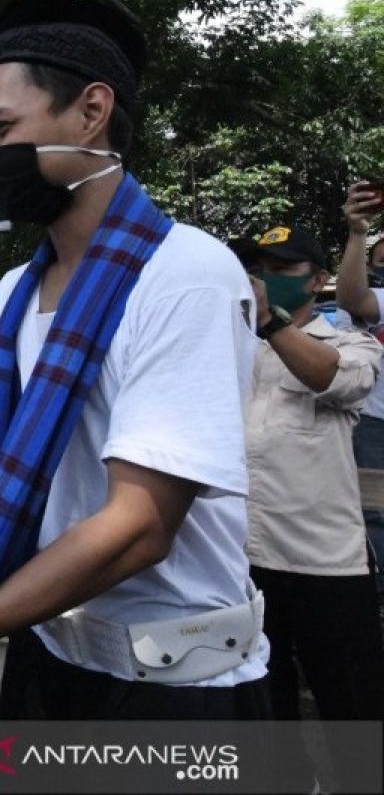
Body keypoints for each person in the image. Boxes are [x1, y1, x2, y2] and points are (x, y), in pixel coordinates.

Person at [0, 0, 270, 722]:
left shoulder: (184, 276)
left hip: (170, 684)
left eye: (3, 128)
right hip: (50, 651)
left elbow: (138, 525)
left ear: (91, 112)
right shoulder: (16, 293)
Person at [233, 225, 384, 790]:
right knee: (263, 713)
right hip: (247, 564)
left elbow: (333, 380)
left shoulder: (350, 343)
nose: (266, 278)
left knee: (354, 712)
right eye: (257, 266)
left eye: (283, 268)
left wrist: (271, 322)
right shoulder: (232, 351)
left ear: (318, 281)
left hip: (327, 564)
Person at [334, 180, 384, 595]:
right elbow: (352, 300)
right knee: (376, 514)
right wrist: (357, 232)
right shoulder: (375, 301)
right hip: (376, 426)